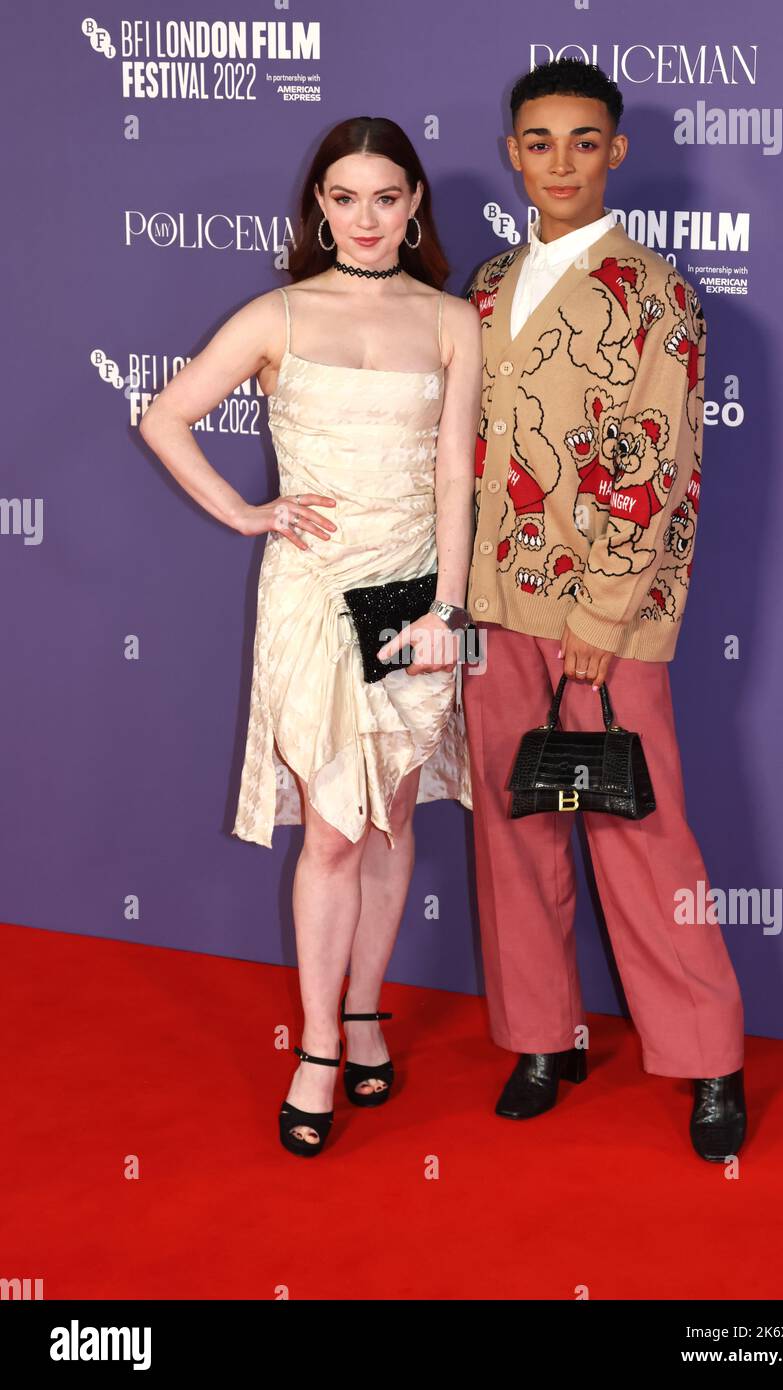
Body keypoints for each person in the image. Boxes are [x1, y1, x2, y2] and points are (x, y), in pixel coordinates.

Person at [139, 116, 480, 1157]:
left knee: (389, 818)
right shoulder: (276, 314)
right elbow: (163, 416)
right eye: (346, 198)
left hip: (418, 601)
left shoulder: (452, 320)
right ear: (318, 207)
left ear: (413, 203)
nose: (367, 218)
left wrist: (449, 613)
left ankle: (367, 1006)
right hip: (311, 597)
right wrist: (247, 513)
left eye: (386, 197)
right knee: (332, 823)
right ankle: (321, 1044)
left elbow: (455, 477)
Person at [462, 58, 747, 1161]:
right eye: (539, 141)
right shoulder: (483, 287)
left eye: (583, 141)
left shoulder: (655, 291)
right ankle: (543, 1037)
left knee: (640, 828)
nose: (560, 162)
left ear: (614, 152)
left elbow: (658, 459)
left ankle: (707, 1054)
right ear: (512, 154)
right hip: (492, 600)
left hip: (606, 613)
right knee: (513, 822)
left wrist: (604, 608)